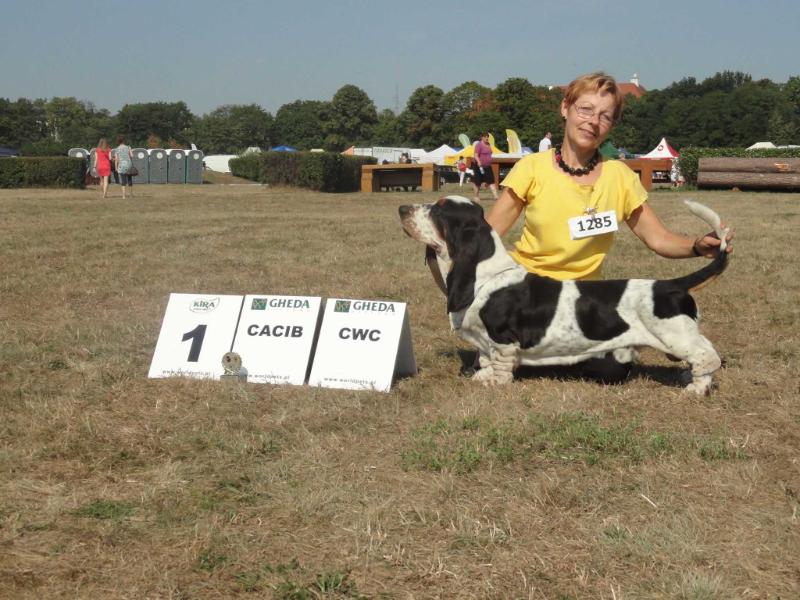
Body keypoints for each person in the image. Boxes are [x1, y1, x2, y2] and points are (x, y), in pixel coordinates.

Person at [479, 72, 733, 381]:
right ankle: (528, 350)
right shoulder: (531, 168)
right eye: (585, 109)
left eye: (605, 116)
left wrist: (695, 245)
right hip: (530, 298)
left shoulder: (620, 177)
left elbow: (659, 239)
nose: (592, 121)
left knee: (612, 370)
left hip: (585, 298)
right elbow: (485, 238)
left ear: (611, 125)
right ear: (565, 109)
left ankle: (534, 355)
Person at [471, 132, 499, 201]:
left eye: (487, 137)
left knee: (491, 181)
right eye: (485, 137)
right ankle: (476, 196)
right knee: (477, 182)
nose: (487, 138)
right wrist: (479, 162)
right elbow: (476, 155)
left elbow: (489, 154)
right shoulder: (479, 145)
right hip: (479, 166)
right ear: (482, 137)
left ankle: (496, 196)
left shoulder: (488, 144)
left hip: (488, 166)